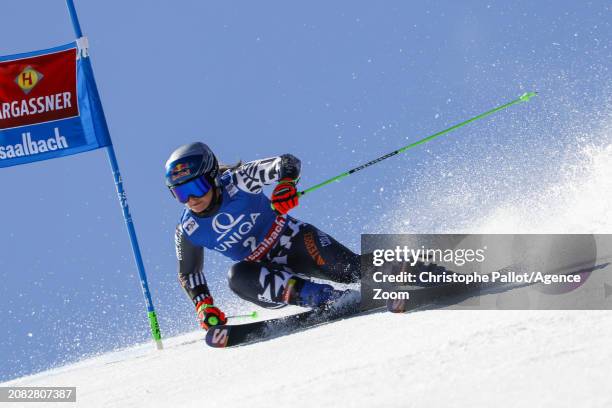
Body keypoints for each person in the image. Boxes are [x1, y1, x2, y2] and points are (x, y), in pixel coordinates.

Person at [166, 142, 361, 331]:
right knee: (237, 276)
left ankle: (387, 271)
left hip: (297, 243)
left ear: (212, 177)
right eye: (181, 192)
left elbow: (286, 162)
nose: (191, 199)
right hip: (265, 277)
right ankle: (324, 298)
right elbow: (189, 273)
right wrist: (203, 305)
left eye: (196, 187)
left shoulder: (240, 181)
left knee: (351, 270)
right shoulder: (188, 229)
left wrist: (286, 184)